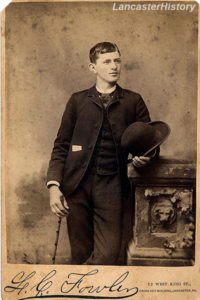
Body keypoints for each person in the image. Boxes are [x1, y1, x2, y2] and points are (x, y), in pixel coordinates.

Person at [47, 42, 154, 265]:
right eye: (106, 62)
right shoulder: (77, 101)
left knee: (109, 254)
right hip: (76, 186)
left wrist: (146, 157)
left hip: (113, 186)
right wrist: (54, 186)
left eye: (117, 60)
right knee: (80, 253)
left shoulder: (134, 100)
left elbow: (152, 143)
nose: (114, 66)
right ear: (92, 67)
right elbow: (61, 146)